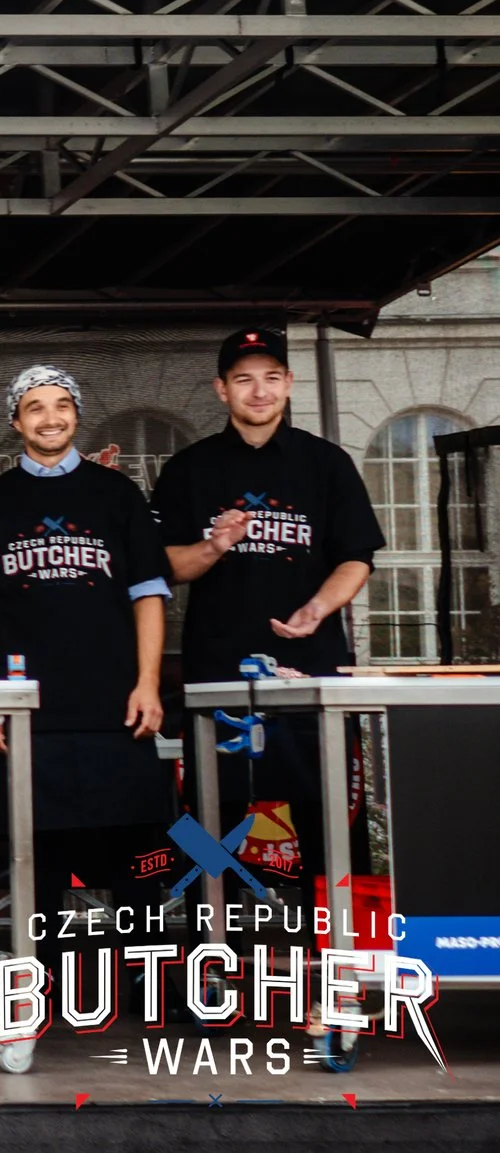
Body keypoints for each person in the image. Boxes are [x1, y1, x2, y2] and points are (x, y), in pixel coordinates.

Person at [153, 326, 384, 889]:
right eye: (244, 379)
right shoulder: (190, 469)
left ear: (289, 384)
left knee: (326, 816)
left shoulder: (326, 463)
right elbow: (164, 566)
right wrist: (214, 545)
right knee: (212, 820)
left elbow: (357, 558)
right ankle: (216, 953)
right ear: (221, 389)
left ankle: (333, 950)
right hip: (218, 672)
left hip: (309, 672)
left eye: (271, 378)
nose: (259, 391)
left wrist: (317, 608)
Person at [0, 365, 173, 922]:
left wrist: (148, 683)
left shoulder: (118, 494)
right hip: (30, 716)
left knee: (139, 860)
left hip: (116, 709)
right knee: (39, 862)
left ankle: (155, 979)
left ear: (76, 415)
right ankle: (44, 990)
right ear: (16, 421)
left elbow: (148, 596)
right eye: (35, 407)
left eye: (60, 405)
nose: (50, 417)